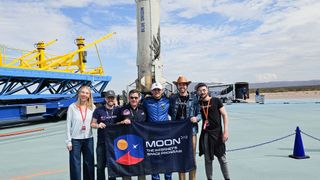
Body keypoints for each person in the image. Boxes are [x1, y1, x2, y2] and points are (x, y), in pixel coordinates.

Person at [169, 75, 202, 180]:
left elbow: (200, 113)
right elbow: (168, 111)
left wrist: (196, 118)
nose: (182, 86)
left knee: (192, 157)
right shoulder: (173, 98)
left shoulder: (194, 98)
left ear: (187, 85)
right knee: (180, 157)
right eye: (180, 84)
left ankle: (192, 178)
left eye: (184, 84)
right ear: (177, 86)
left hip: (191, 131)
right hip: (178, 132)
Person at [196, 83, 230, 180]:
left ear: (207, 90)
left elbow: (225, 115)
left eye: (204, 90)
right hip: (206, 135)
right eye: (200, 91)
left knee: (222, 159)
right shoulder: (199, 104)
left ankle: (227, 178)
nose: (202, 92)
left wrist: (226, 131)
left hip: (218, 134)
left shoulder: (216, 100)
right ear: (198, 92)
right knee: (208, 160)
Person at [143, 82, 172, 180]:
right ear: (151, 91)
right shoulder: (146, 102)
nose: (157, 92)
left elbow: (175, 114)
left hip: (165, 135)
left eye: (158, 90)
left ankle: (168, 178)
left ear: (162, 90)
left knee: (167, 160)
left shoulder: (168, 101)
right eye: (154, 90)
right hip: (152, 135)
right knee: (154, 160)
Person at [66, 85, 96, 180]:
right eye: (82, 92)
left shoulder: (92, 107)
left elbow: (95, 122)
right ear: (79, 93)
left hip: (88, 138)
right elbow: (68, 125)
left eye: (87, 93)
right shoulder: (72, 107)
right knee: (75, 165)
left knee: (89, 163)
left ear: (89, 95)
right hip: (75, 140)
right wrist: (68, 141)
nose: (84, 94)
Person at [91, 90, 120, 180]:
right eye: (108, 98)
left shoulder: (118, 110)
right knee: (100, 166)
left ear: (115, 99)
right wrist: (98, 125)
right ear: (105, 99)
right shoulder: (98, 110)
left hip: (114, 143)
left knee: (112, 166)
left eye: (112, 98)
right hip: (102, 142)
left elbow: (126, 119)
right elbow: (92, 124)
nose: (110, 100)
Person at [118, 89, 146, 180]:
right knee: (126, 168)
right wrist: (122, 122)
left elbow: (149, 124)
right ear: (128, 98)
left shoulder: (144, 109)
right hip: (126, 143)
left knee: (141, 168)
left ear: (139, 98)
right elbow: (115, 125)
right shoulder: (122, 109)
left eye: (136, 97)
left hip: (140, 143)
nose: (134, 99)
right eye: (132, 97)